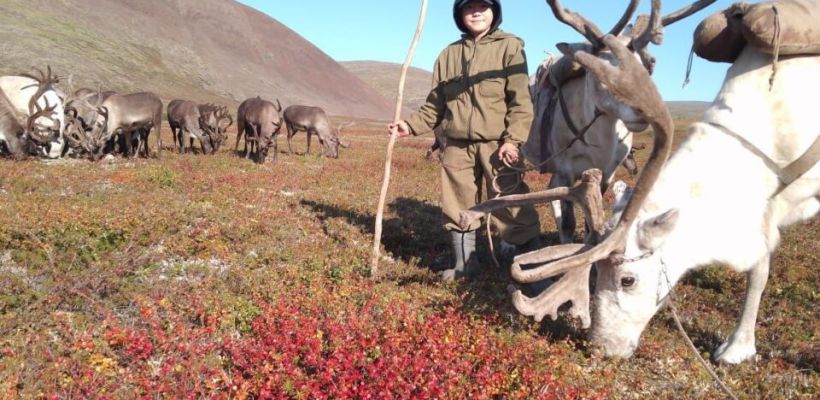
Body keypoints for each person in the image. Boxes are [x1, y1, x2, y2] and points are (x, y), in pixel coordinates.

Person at [389, 0, 541, 281]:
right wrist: (409, 126)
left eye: (483, 6)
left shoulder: (510, 48)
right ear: (460, 15)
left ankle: (532, 270)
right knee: (458, 205)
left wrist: (513, 140)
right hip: (457, 146)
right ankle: (464, 265)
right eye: (469, 7)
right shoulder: (448, 55)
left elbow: (521, 102)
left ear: (494, 12)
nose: (476, 12)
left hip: (498, 145)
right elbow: (435, 106)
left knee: (511, 203)